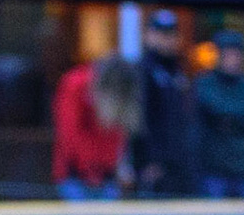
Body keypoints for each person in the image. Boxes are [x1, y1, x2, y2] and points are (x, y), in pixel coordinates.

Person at [194, 30, 244, 199]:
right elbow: (212, 109)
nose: (233, 59)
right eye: (228, 54)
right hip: (214, 168)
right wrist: (237, 117)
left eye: (237, 54)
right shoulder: (204, 84)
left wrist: (228, 119)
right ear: (218, 55)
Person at [52, 54, 137, 200]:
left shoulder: (122, 89)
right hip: (76, 176)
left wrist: (118, 164)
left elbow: (118, 129)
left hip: (107, 177)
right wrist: (94, 170)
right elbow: (69, 137)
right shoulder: (74, 85)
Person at [132, 11, 194, 197]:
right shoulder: (143, 70)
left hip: (180, 164)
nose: (167, 39)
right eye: (161, 34)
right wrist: (148, 160)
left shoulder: (178, 70)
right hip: (154, 167)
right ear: (149, 35)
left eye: (171, 34)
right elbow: (140, 119)